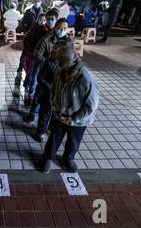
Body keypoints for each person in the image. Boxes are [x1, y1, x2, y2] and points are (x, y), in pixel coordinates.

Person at [40, 46, 99, 174]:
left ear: (71, 63)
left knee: (73, 141)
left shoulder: (85, 79)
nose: (59, 67)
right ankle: (47, 157)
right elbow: (53, 92)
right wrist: (55, 109)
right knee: (54, 138)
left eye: (61, 64)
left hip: (78, 120)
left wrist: (73, 118)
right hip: (60, 115)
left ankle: (68, 159)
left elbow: (90, 106)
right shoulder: (60, 72)